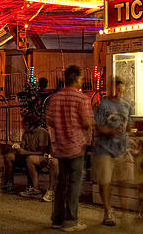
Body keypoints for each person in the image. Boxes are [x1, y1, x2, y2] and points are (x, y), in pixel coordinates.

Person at [45, 65, 92, 232]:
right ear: (76, 79)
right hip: (76, 146)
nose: (82, 81)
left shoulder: (54, 98)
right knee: (74, 185)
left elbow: (49, 121)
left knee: (61, 183)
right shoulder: (82, 99)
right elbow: (86, 122)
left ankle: (57, 219)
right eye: (81, 78)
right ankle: (71, 220)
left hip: (60, 147)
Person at [92, 77, 134, 226]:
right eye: (117, 89)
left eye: (121, 89)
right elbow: (97, 126)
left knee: (124, 182)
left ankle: (125, 211)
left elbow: (131, 124)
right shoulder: (102, 105)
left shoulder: (128, 104)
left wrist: (129, 130)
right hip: (104, 149)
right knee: (105, 182)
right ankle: (108, 211)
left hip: (122, 148)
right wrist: (110, 131)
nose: (119, 92)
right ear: (111, 88)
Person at [4, 114, 58, 201]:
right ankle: (9, 184)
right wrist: (17, 147)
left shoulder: (42, 132)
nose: (23, 126)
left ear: (30, 124)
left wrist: (26, 152)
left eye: (24, 124)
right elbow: (23, 146)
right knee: (8, 156)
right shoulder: (26, 133)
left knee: (29, 158)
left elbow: (43, 152)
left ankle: (35, 189)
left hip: (42, 157)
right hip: (28, 155)